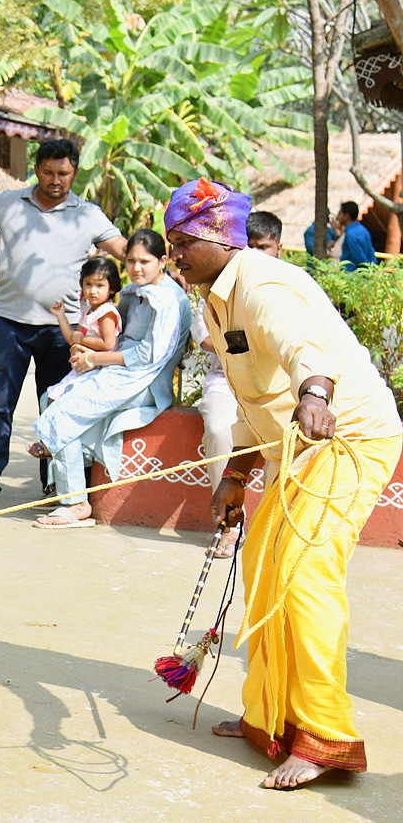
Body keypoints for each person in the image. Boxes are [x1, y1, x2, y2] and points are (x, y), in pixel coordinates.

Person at [166, 177, 402, 791]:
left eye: (182, 242)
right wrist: (237, 476)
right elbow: (253, 392)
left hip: (345, 437)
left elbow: (303, 348)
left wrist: (317, 394)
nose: (174, 255)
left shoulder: (263, 284)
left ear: (217, 238)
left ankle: (325, 737)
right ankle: (270, 717)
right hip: (292, 445)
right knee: (264, 570)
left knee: (304, 575)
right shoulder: (214, 299)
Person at [0, 139, 127, 510]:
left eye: (63, 173)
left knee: (55, 406)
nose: (55, 180)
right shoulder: (10, 202)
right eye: (48, 172)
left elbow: (125, 252)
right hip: (9, 323)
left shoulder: (88, 214)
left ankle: (52, 483)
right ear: (37, 169)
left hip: (64, 331)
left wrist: (162, 269)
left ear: (75, 172)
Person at [26, 229, 191, 528]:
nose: (136, 268)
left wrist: (94, 359)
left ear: (163, 261)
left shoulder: (167, 300)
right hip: (119, 371)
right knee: (55, 397)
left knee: (65, 412)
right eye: (130, 261)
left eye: (145, 261)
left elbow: (146, 356)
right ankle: (71, 494)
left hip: (146, 382)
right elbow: (116, 335)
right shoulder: (135, 291)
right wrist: (87, 354)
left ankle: (76, 503)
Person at [194, 210, 282, 557]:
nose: (259, 255)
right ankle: (229, 525)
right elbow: (207, 338)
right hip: (226, 380)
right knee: (218, 428)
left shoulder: (286, 284)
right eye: (252, 247)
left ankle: (274, 530)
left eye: (266, 247)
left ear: (279, 248)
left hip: (277, 389)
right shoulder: (215, 286)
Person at [38, 256, 123, 406]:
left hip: (99, 367)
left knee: (64, 401)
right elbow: (73, 338)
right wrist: (61, 316)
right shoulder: (88, 311)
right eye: (88, 284)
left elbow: (108, 344)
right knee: (52, 398)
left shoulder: (106, 312)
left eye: (99, 285)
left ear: (112, 288)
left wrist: (81, 340)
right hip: (84, 366)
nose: (93, 291)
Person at [335, 201, 377, 269]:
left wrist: (366, 268)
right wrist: (372, 268)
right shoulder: (364, 230)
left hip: (351, 272)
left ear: (346, 216)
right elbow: (371, 252)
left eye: (340, 213)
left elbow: (358, 256)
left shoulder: (350, 235)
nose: (338, 217)